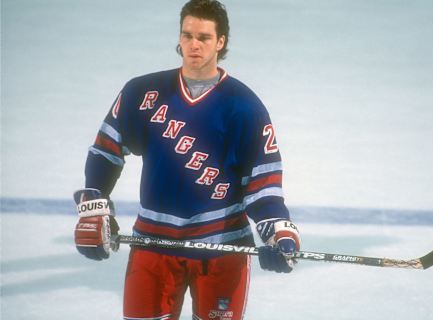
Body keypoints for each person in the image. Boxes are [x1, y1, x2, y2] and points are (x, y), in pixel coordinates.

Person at [73, 0, 301, 319]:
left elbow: (264, 187)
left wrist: (279, 232)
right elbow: (105, 152)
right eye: (187, 35)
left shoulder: (246, 107)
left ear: (221, 42)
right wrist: (94, 204)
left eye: (204, 37)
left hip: (222, 249)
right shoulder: (142, 93)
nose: (194, 44)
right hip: (153, 244)